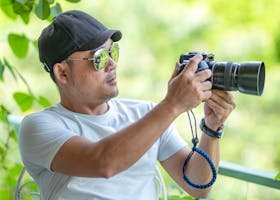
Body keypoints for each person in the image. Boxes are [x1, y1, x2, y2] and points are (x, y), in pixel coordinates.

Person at [19, 10, 235, 200]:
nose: (113, 64)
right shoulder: (38, 126)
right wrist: (172, 104)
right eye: (99, 58)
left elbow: (197, 185)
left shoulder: (147, 114)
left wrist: (212, 128)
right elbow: (103, 162)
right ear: (62, 73)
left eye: (112, 52)